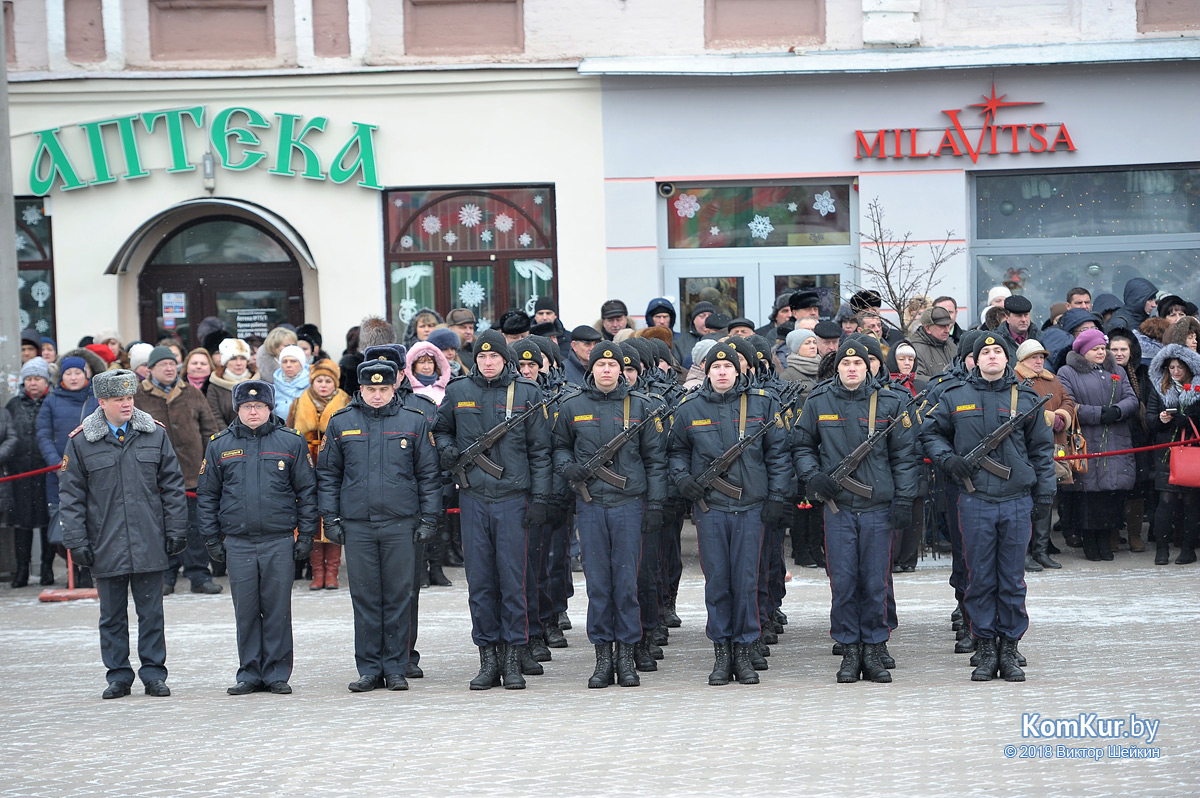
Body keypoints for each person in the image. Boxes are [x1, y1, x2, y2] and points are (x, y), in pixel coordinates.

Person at [921, 334, 1056, 682]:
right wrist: (948, 459)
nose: (992, 356)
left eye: (998, 351)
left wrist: (1044, 495)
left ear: (1007, 359)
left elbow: (1042, 451)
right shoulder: (954, 396)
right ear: (975, 360)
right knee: (979, 578)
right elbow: (930, 433)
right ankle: (984, 647)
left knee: (1011, 579)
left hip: (1014, 500)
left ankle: (1009, 648)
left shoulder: (1025, 398)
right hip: (975, 499)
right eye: (985, 352)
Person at [433, 330, 553, 690]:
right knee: (481, 583)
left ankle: (514, 658)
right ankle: (488, 659)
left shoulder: (528, 394)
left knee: (513, 582)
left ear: (505, 359)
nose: (488, 362)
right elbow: (440, 430)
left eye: (495, 357)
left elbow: (541, 452)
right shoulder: (458, 392)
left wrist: (542, 499)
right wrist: (448, 450)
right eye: (482, 357)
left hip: (513, 500)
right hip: (473, 499)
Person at [59, 370, 188, 699]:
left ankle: (153, 674)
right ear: (102, 403)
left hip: (149, 540)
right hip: (105, 543)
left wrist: (175, 531)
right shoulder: (80, 442)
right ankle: (118, 676)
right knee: (111, 616)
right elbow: (71, 499)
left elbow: (173, 487)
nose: (127, 404)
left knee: (151, 614)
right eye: (119, 399)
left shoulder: (154, 435)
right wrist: (77, 544)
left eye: (129, 398)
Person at [668, 342, 792, 686]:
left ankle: (745, 650)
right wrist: (683, 480)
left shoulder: (762, 404)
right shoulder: (690, 407)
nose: (722, 373)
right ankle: (722, 653)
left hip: (751, 508)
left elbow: (779, 455)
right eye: (715, 368)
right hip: (711, 510)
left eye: (728, 368)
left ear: (739, 372)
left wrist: (777, 498)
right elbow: (676, 450)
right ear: (706, 372)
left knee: (747, 581)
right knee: (718, 583)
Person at [796, 339, 919, 684]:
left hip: (878, 508)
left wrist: (905, 500)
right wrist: (813, 476)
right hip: (839, 509)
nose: (852, 369)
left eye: (859, 364)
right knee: (844, 581)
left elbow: (905, 458)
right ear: (837, 368)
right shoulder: (819, 400)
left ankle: (874, 649)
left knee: (875, 582)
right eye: (845, 364)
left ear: (869, 368)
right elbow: (802, 444)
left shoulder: (891, 401)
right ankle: (850, 651)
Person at [318, 359, 442, 692]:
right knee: (366, 597)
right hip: (358, 525)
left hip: (401, 524)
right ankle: (370, 668)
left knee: (400, 597)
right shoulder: (342, 422)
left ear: (394, 389)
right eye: (371, 389)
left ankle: (397, 666)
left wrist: (430, 518)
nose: (377, 395)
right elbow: (328, 475)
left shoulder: (413, 422)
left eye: (383, 389)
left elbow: (429, 476)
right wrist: (329, 518)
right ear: (360, 389)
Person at [554, 343, 666, 688]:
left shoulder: (642, 408)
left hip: (628, 505)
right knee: (599, 586)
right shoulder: (572, 406)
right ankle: (603, 657)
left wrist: (657, 506)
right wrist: (567, 468)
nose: (606, 370)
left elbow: (656, 461)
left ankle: (627, 657)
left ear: (622, 370)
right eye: (600, 364)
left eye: (611, 364)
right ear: (591, 369)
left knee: (627, 585)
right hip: (591, 506)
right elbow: (558, 447)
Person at [198, 380, 317, 695]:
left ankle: (277, 672)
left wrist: (306, 534)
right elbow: (207, 496)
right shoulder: (219, 445)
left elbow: (306, 491)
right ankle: (249, 672)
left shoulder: (290, 442)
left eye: (260, 406)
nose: (253, 412)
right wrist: (211, 537)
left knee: (277, 608)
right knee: (246, 610)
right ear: (238, 409)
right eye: (247, 407)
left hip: (278, 540)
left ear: (270, 408)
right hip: (238, 541)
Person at [134, 346, 222, 595]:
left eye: (172, 364)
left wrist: (210, 464)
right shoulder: (139, 396)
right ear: (150, 369)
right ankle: (167, 576)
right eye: (163, 364)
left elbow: (209, 431)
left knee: (196, 528)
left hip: (193, 474)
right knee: (162, 528)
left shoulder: (192, 393)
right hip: (155, 478)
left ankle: (199, 576)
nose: (169, 368)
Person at [1056, 329, 1139, 562]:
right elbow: (1071, 404)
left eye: (1103, 348)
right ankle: (1090, 541)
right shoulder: (1067, 372)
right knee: (1088, 496)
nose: (1101, 352)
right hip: (1087, 440)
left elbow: (1132, 399)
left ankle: (1107, 539)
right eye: (1096, 349)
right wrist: (1100, 414)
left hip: (1115, 437)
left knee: (1111, 494)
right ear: (1084, 351)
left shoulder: (1117, 371)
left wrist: (1118, 411)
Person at [36, 348, 106, 588]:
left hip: (93, 471)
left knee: (93, 520)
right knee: (66, 521)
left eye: (79, 372)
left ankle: (90, 569)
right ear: (61, 376)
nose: (74, 377)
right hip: (59, 473)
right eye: (69, 373)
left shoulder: (97, 400)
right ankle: (74, 570)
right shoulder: (51, 401)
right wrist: (56, 463)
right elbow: (43, 435)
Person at [287, 358, 352, 590]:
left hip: (335, 468)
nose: (323, 385)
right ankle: (318, 572)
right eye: (319, 380)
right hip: (306, 466)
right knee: (311, 520)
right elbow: (289, 435)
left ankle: (332, 571)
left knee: (333, 518)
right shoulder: (298, 403)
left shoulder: (346, 402)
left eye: (328, 380)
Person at [1013, 340, 1075, 570]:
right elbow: (1020, 408)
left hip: (1054, 444)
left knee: (1046, 496)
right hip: (1029, 448)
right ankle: (1026, 551)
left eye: (1041, 356)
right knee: (1028, 500)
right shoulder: (1017, 379)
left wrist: (1063, 415)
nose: (1039, 361)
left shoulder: (1052, 378)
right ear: (1022, 360)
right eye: (1033, 357)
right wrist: (1049, 418)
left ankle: (1041, 550)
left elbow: (1069, 401)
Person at [1146, 343, 1200, 565]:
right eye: (1171, 367)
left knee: (1191, 502)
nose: (1176, 371)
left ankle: (1188, 548)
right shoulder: (1159, 389)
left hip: (1192, 452)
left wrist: (1187, 420)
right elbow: (1149, 421)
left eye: (1180, 367)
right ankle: (1162, 550)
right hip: (1166, 452)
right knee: (1165, 501)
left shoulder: (1197, 390)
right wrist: (1160, 420)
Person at [7, 357, 52, 587]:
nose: (33, 383)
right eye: (29, 379)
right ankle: (22, 569)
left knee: (47, 521)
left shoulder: (52, 402)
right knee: (22, 523)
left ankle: (47, 568)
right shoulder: (13, 405)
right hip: (20, 471)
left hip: (46, 470)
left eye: (38, 378)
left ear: (46, 381)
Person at [207, 338, 255, 427]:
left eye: (243, 358)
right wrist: (230, 436)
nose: (239, 363)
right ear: (225, 362)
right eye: (233, 359)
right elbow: (215, 417)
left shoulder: (259, 383)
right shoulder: (215, 387)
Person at [911, 307, 958, 381]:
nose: (947, 330)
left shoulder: (952, 346)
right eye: (942, 326)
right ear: (927, 328)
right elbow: (916, 378)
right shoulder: (915, 350)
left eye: (948, 325)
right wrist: (943, 382)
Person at [405, 341, 453, 406]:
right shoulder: (407, 390)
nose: (426, 367)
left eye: (430, 362)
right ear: (413, 365)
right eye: (421, 362)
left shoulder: (447, 389)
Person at [272, 345, 310, 419]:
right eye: (284, 361)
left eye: (293, 361)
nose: (288, 365)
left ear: (301, 364)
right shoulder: (273, 389)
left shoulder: (313, 386)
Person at [675, 301, 715, 369]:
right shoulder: (681, 343)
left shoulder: (722, 339)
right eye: (702, 316)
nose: (707, 319)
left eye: (710, 316)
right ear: (694, 320)